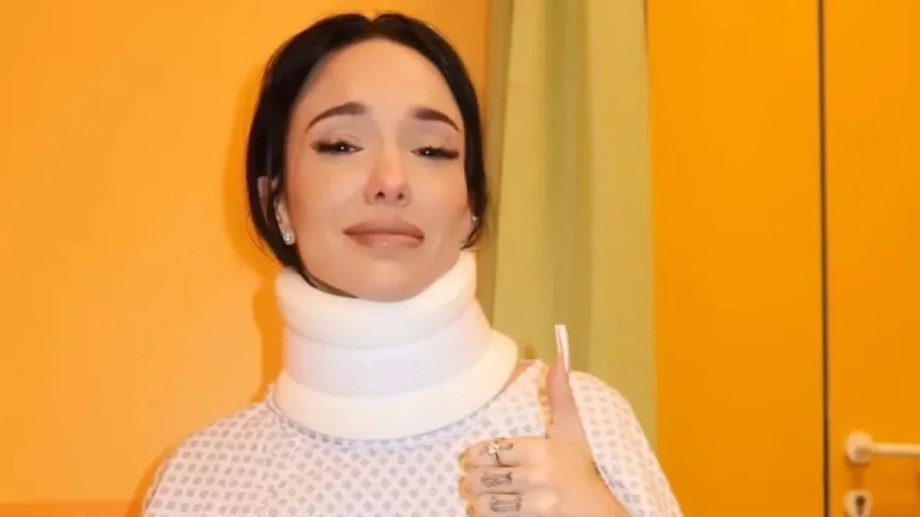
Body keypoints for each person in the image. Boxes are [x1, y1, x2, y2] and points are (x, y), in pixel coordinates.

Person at [142, 12, 681, 517]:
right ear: (276, 200)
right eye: (341, 145)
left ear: (470, 206)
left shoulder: (582, 426)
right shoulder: (199, 482)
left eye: (431, 151)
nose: (391, 181)